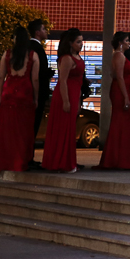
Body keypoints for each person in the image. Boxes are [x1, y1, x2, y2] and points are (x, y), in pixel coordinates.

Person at [0, 26, 38, 173]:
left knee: (7, 130)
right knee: (23, 131)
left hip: (9, 91)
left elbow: (1, 76)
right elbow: (35, 79)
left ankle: (6, 160)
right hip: (25, 91)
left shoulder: (7, 54)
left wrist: (1, 93)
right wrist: (36, 97)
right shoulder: (32, 56)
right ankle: (20, 161)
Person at [41, 28, 83, 173]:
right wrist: (66, 101)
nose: (81, 44)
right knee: (63, 129)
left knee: (70, 130)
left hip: (74, 94)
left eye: (81, 41)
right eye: (78, 42)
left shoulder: (76, 57)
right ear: (70, 43)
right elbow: (63, 80)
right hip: (65, 95)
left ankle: (67, 161)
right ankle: (60, 162)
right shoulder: (66, 58)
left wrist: (78, 100)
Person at [96, 32, 130, 170]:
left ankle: (120, 157)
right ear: (120, 42)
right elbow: (118, 76)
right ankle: (116, 158)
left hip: (123, 90)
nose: (128, 43)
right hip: (121, 91)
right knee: (120, 123)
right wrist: (125, 96)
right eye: (126, 40)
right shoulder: (119, 55)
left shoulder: (120, 55)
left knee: (122, 123)